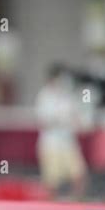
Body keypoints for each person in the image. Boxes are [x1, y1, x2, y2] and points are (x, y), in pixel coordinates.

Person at [35, 64, 87, 200]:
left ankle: (76, 205)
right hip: (51, 144)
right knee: (52, 182)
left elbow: (77, 117)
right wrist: (61, 119)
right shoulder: (44, 96)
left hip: (68, 143)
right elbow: (44, 121)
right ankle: (52, 209)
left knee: (79, 175)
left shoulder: (68, 96)